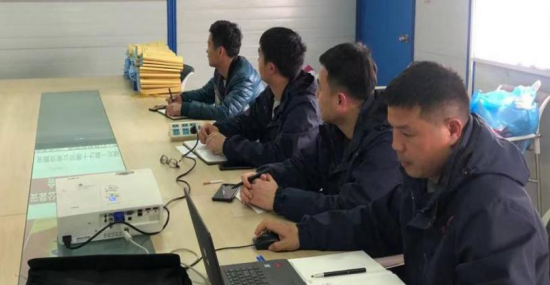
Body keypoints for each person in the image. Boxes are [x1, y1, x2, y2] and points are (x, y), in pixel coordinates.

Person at [254, 61, 550, 285]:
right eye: (393, 129)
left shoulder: (499, 210)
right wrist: (304, 232)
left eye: (407, 133)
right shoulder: (429, 173)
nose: (395, 144)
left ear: (452, 130)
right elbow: (376, 222)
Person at [240, 42, 401, 220]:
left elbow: (351, 209)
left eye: (320, 89)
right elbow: (303, 167)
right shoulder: (335, 128)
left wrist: (278, 199)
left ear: (340, 101)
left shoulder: (385, 143)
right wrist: (263, 176)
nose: (316, 95)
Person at [197, 27, 321, 167]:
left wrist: (227, 146)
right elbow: (248, 122)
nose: (257, 60)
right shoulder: (273, 91)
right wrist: (218, 129)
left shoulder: (304, 108)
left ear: (271, 68)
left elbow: (279, 155)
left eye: (260, 55)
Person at [166, 20, 262, 120]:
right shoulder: (222, 71)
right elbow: (205, 94)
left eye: (209, 45)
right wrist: (182, 98)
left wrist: (184, 109)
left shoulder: (245, 78)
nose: (207, 50)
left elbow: (225, 112)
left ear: (220, 51)